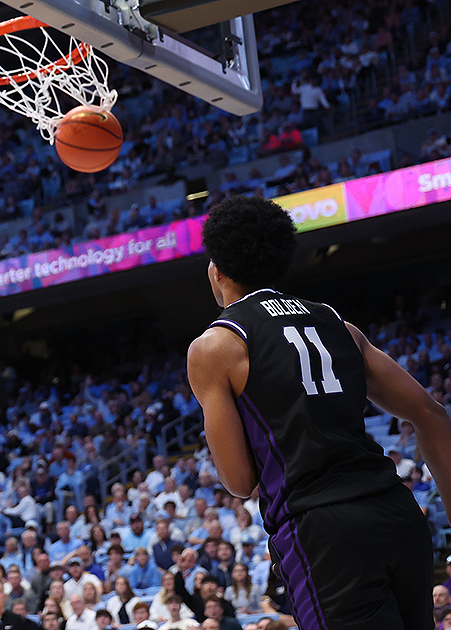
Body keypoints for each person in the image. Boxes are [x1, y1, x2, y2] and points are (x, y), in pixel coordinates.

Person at [188, 196, 451, 629]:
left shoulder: (215, 346)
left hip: (323, 530)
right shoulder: (337, 324)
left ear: (216, 270)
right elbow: (432, 415)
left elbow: (238, 481)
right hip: (396, 514)